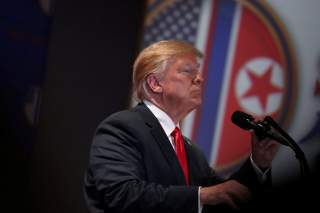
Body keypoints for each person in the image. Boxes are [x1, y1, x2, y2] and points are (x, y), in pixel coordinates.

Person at [83, 40, 278, 213]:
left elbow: (227, 195)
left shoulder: (190, 152)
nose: (199, 78)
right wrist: (201, 196)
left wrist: (258, 164)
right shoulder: (122, 127)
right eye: (187, 71)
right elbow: (121, 194)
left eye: (199, 71)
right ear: (155, 83)